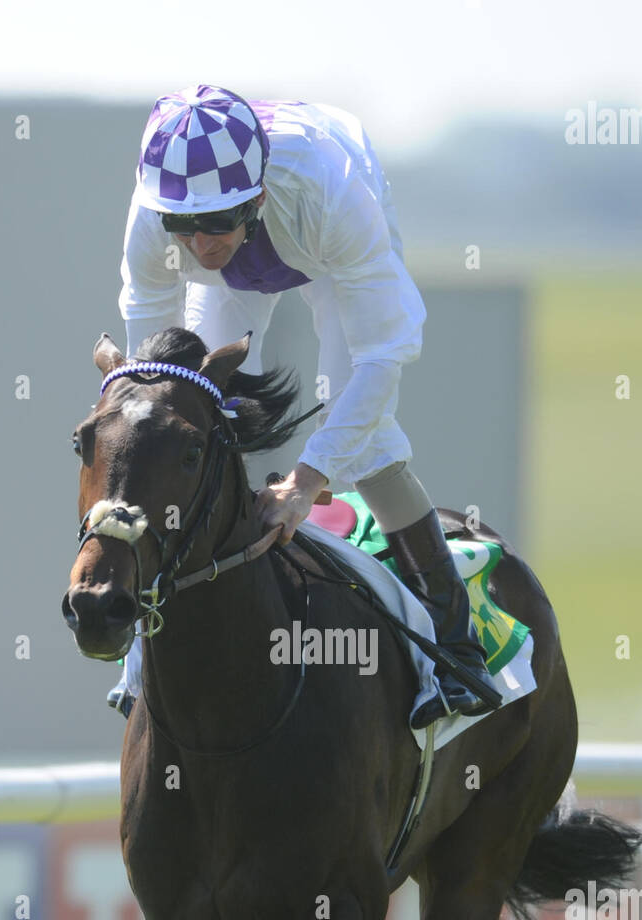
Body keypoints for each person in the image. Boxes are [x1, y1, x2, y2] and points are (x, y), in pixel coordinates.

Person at [109, 84, 496, 727]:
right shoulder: (153, 216)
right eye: (184, 225)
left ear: (255, 198)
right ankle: (150, 647)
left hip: (327, 247)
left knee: (364, 437)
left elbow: (383, 356)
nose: (202, 244)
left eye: (219, 222)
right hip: (269, 233)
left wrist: (306, 480)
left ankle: (456, 645)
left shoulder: (335, 195)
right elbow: (149, 383)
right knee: (196, 413)